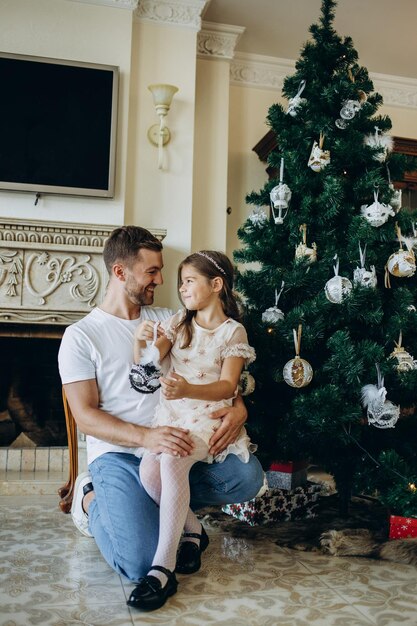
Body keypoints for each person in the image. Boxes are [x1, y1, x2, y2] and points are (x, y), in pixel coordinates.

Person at [57, 226, 264, 594]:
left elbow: (215, 368)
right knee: (139, 561)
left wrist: (239, 408)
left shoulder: (175, 316)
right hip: (120, 453)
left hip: (180, 437)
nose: (163, 280)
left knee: (246, 477)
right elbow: (85, 416)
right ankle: (91, 499)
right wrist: (147, 436)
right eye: (152, 271)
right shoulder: (82, 335)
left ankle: (166, 514)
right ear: (121, 273)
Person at [128, 250, 256, 611]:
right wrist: (142, 343)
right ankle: (194, 531)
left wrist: (188, 390)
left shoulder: (234, 331)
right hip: (173, 414)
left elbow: (229, 386)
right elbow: (149, 367)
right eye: (181, 281)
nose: (181, 288)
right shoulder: (177, 322)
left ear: (216, 285)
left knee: (171, 462)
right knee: (148, 473)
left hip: (208, 416)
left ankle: (162, 570)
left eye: (189, 281)